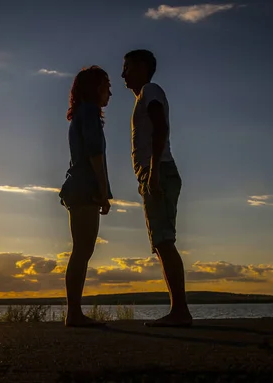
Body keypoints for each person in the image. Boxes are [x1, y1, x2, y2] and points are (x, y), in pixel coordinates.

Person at [121, 49, 193, 327]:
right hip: (154, 171)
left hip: (158, 171)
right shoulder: (144, 96)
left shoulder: (150, 90)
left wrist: (151, 173)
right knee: (162, 242)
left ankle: (180, 311)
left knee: (164, 240)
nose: (123, 74)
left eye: (126, 67)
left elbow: (160, 127)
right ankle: (179, 309)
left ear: (141, 67)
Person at [59, 66, 112, 327]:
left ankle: (74, 312)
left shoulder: (81, 114)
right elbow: (94, 154)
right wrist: (103, 191)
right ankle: (74, 313)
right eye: (105, 86)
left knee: (82, 249)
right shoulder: (89, 112)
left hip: (76, 188)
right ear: (93, 88)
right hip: (84, 189)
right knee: (82, 250)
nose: (110, 93)